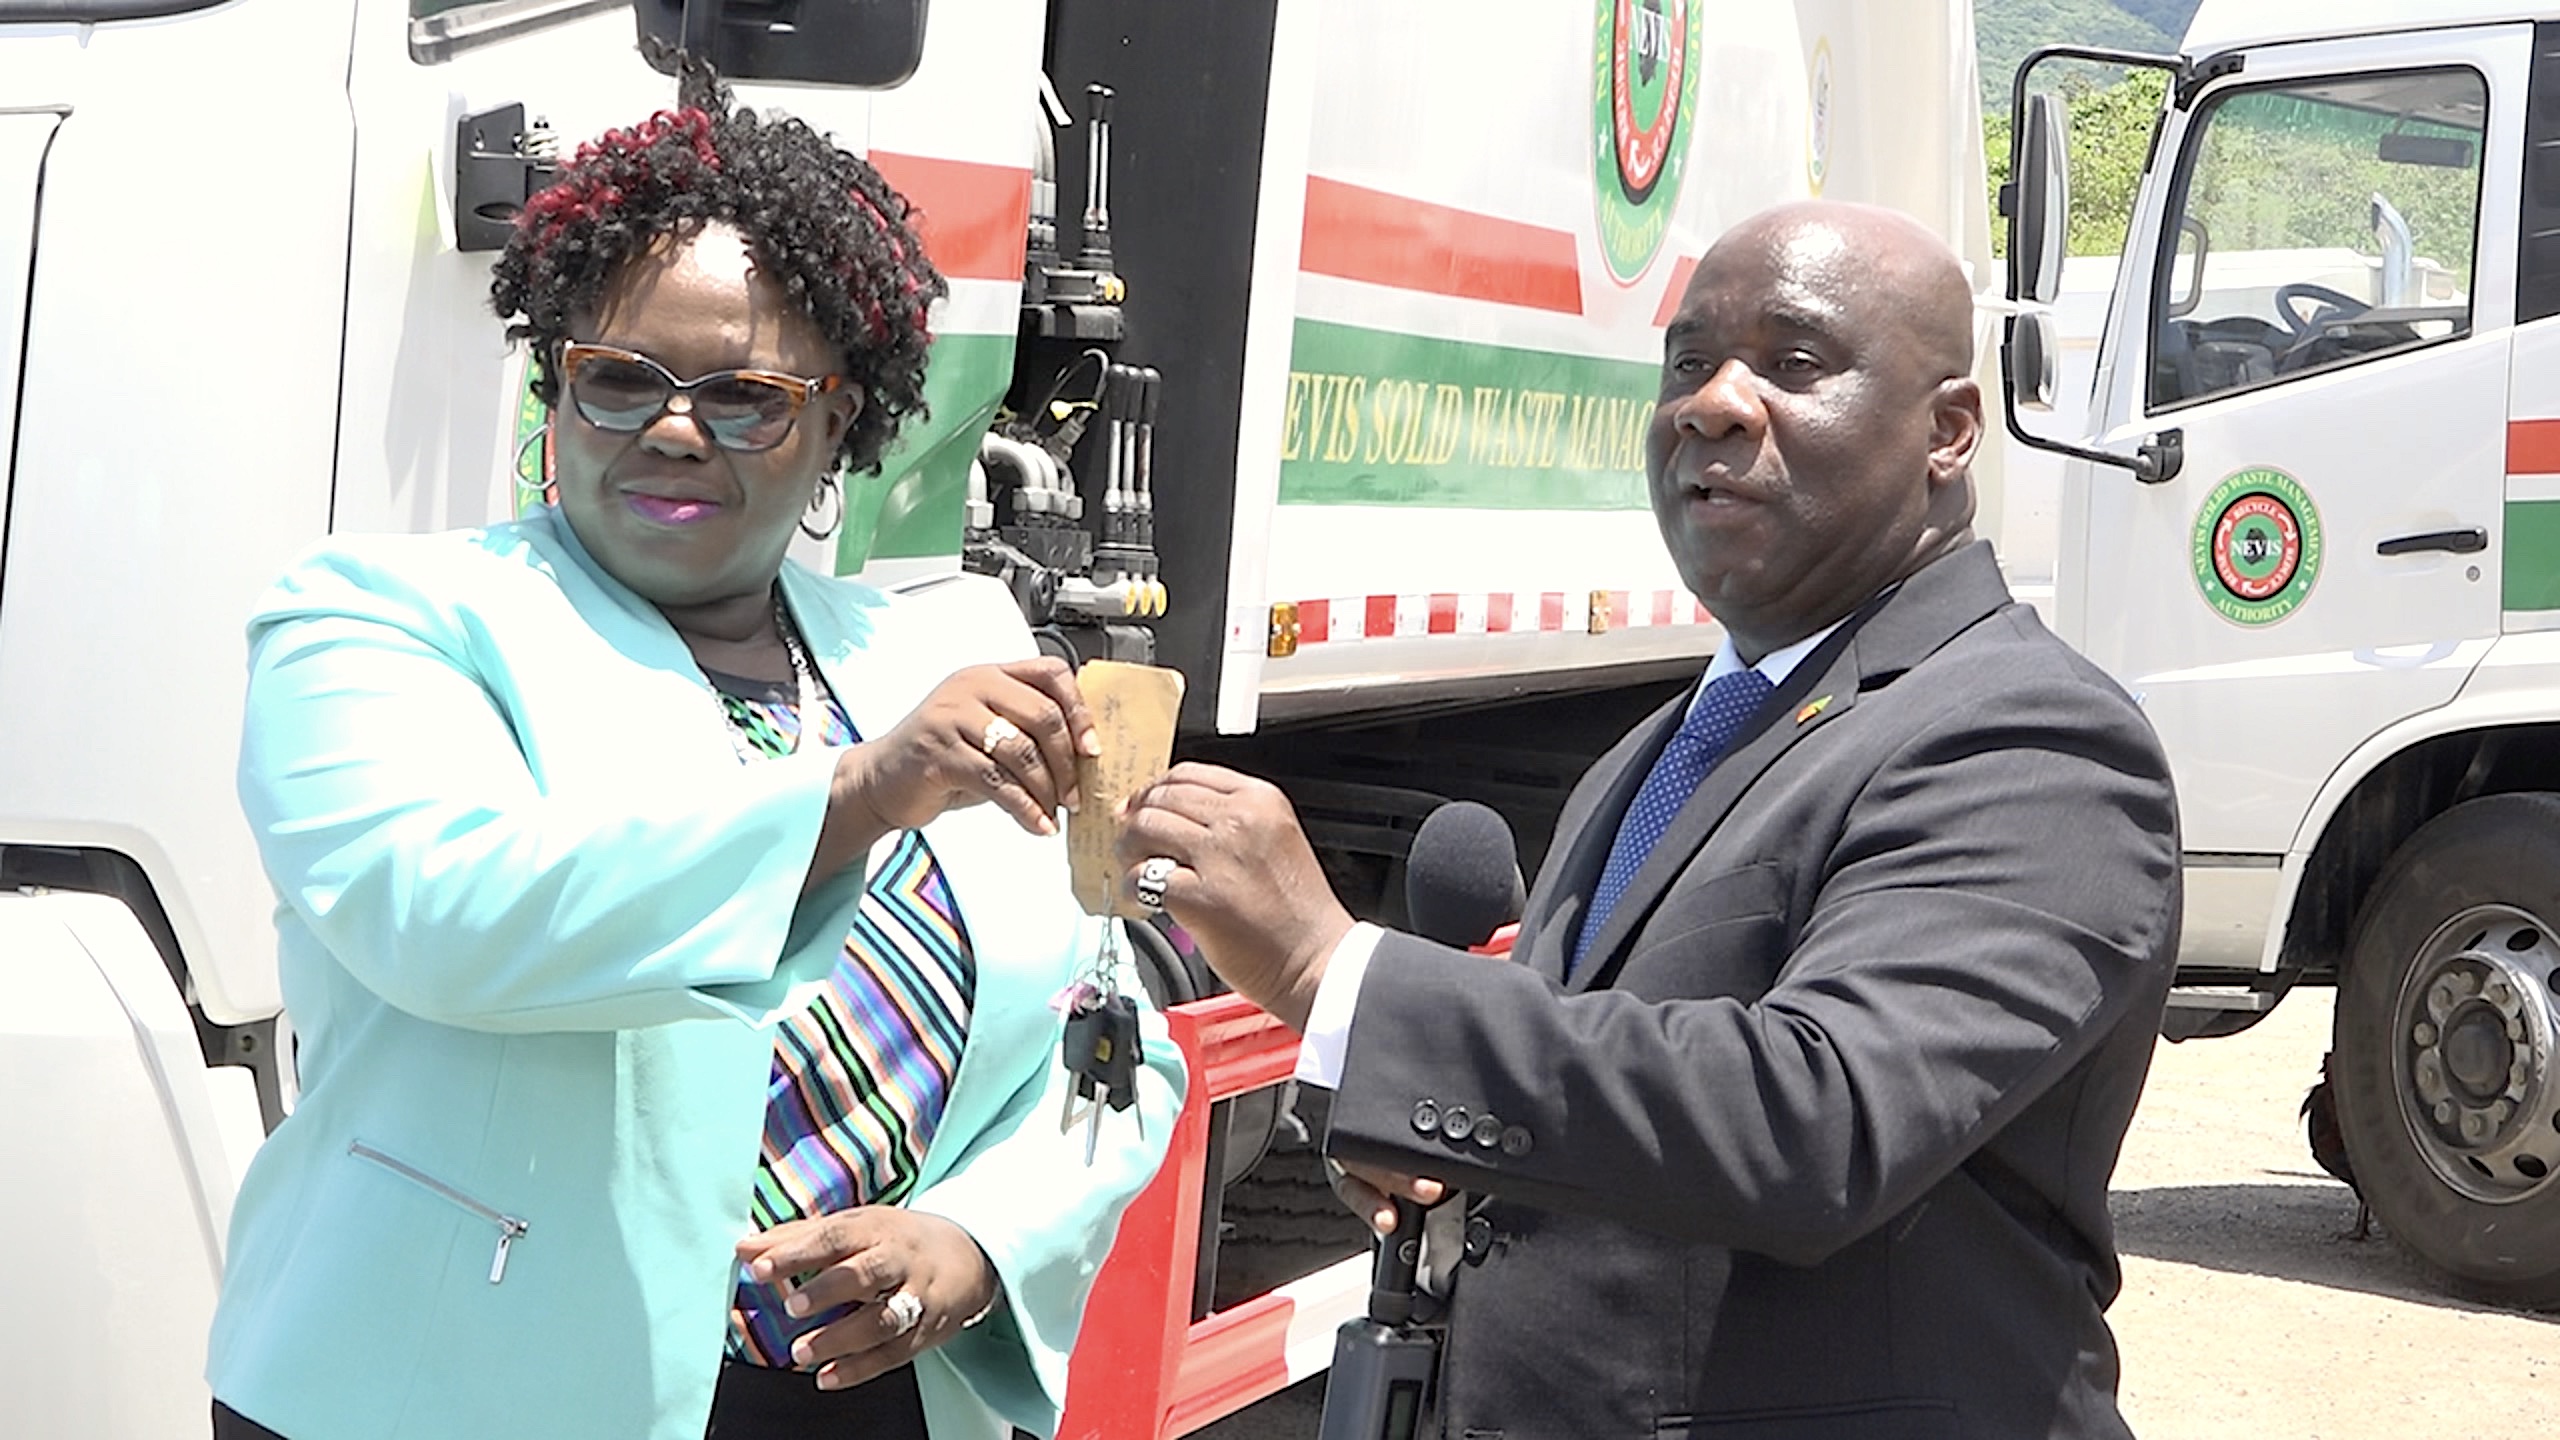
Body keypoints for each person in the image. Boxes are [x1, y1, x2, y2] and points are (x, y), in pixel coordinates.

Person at [208, 70, 1182, 1440]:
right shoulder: (378, 622)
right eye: (620, 381)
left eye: (746, 396)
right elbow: (447, 912)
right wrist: (858, 795)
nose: (675, 428)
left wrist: (974, 1244)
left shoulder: (943, 656)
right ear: (556, 384)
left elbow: (1110, 1041)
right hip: (454, 1397)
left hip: (868, 1403)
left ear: (844, 416)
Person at [1116, 202, 2180, 1439]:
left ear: (1946, 431)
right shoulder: (1660, 747)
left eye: (1793, 364)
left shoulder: (2031, 741)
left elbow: (1813, 1122)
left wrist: (1329, 968)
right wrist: (1455, 1149)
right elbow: (1616, 1106)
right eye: (1686, 364)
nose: (1711, 405)